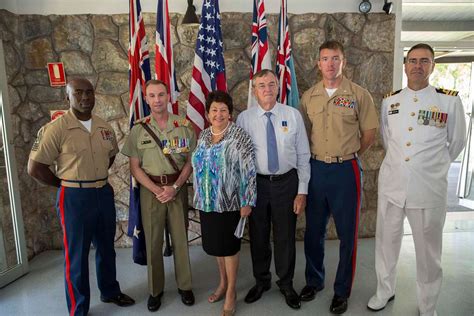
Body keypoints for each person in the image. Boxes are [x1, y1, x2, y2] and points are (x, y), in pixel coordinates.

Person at [367, 43, 466, 316]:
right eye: (413, 60)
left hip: (427, 188)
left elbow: (456, 142)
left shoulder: (449, 101)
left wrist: (430, 168)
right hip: (393, 185)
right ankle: (384, 290)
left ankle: (427, 304)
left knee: (428, 252)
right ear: (405, 65)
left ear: (433, 66)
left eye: (424, 61)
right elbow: (389, 141)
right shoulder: (391, 100)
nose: (417, 66)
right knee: (386, 243)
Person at [27, 78, 135, 315]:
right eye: (78, 93)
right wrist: (65, 185)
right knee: (76, 255)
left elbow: (110, 156)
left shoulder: (104, 126)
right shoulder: (55, 129)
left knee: (107, 247)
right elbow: (35, 168)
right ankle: (79, 307)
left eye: (89, 92)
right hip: (74, 197)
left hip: (102, 193)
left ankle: (109, 290)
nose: (85, 97)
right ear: (68, 97)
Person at [299, 40, 379, 314]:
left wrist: (349, 154)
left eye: (335, 58)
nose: (330, 64)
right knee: (313, 232)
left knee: (348, 234)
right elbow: (304, 134)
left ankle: (342, 291)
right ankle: (314, 281)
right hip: (316, 170)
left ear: (343, 62)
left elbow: (369, 133)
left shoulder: (359, 95)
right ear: (318, 63)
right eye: (325, 58)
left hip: (346, 171)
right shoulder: (308, 97)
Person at [237, 69, 311, 310]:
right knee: (258, 236)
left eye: (271, 84)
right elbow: (239, 158)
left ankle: (286, 283)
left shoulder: (292, 115)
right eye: (261, 85)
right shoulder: (244, 119)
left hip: (286, 183)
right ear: (254, 90)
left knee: (285, 236)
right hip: (256, 184)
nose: (267, 89)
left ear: (278, 87)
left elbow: (303, 155)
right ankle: (262, 281)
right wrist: (243, 193)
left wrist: (302, 191)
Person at [121, 79, 195, 312]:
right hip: (150, 192)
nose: (157, 100)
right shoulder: (138, 129)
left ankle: (185, 286)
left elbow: (192, 161)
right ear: (146, 98)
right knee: (153, 242)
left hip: (177, 189)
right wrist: (156, 190)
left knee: (181, 241)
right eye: (152, 96)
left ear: (168, 96)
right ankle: (155, 291)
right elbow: (135, 167)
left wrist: (175, 188)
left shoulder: (183, 126)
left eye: (161, 95)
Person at [192, 90, 257, 316]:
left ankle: (231, 291)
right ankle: (222, 282)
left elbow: (249, 170)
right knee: (216, 247)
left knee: (229, 247)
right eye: (214, 110)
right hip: (208, 202)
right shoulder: (203, 136)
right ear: (208, 113)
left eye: (223, 110)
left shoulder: (239, 136)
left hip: (231, 202)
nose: (218, 114)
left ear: (230, 113)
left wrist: (248, 200)